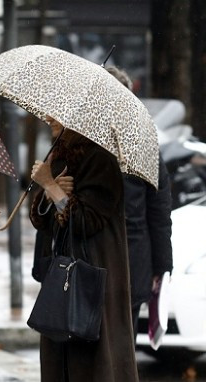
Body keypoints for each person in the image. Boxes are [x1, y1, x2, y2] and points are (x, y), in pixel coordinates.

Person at [29, 116, 139, 381]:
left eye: (56, 114)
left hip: (91, 277)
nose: (48, 118)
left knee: (92, 361)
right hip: (62, 277)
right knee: (62, 355)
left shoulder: (101, 159)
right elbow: (45, 222)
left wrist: (52, 186)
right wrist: (50, 193)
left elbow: (86, 221)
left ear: (76, 118)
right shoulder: (60, 156)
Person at [106, 66, 173, 336]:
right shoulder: (144, 146)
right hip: (128, 267)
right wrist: (161, 267)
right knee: (121, 352)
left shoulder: (84, 147)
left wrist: (162, 267)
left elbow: (158, 214)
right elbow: (159, 215)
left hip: (120, 267)